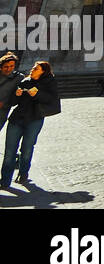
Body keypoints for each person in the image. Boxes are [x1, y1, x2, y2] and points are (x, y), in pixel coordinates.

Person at [1, 60, 61, 188]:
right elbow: (13, 102)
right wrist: (16, 95)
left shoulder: (49, 83)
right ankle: (5, 180)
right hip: (16, 119)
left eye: (36, 69)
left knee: (26, 149)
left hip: (34, 120)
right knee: (9, 151)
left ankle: (23, 174)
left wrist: (37, 94)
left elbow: (51, 99)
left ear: (43, 72)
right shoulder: (25, 81)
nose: (32, 70)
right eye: (33, 68)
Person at [0, 54, 20, 128]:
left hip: (1, 113)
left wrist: (4, 104)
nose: (9, 69)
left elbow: (17, 98)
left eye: (12, 66)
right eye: (6, 67)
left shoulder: (18, 78)